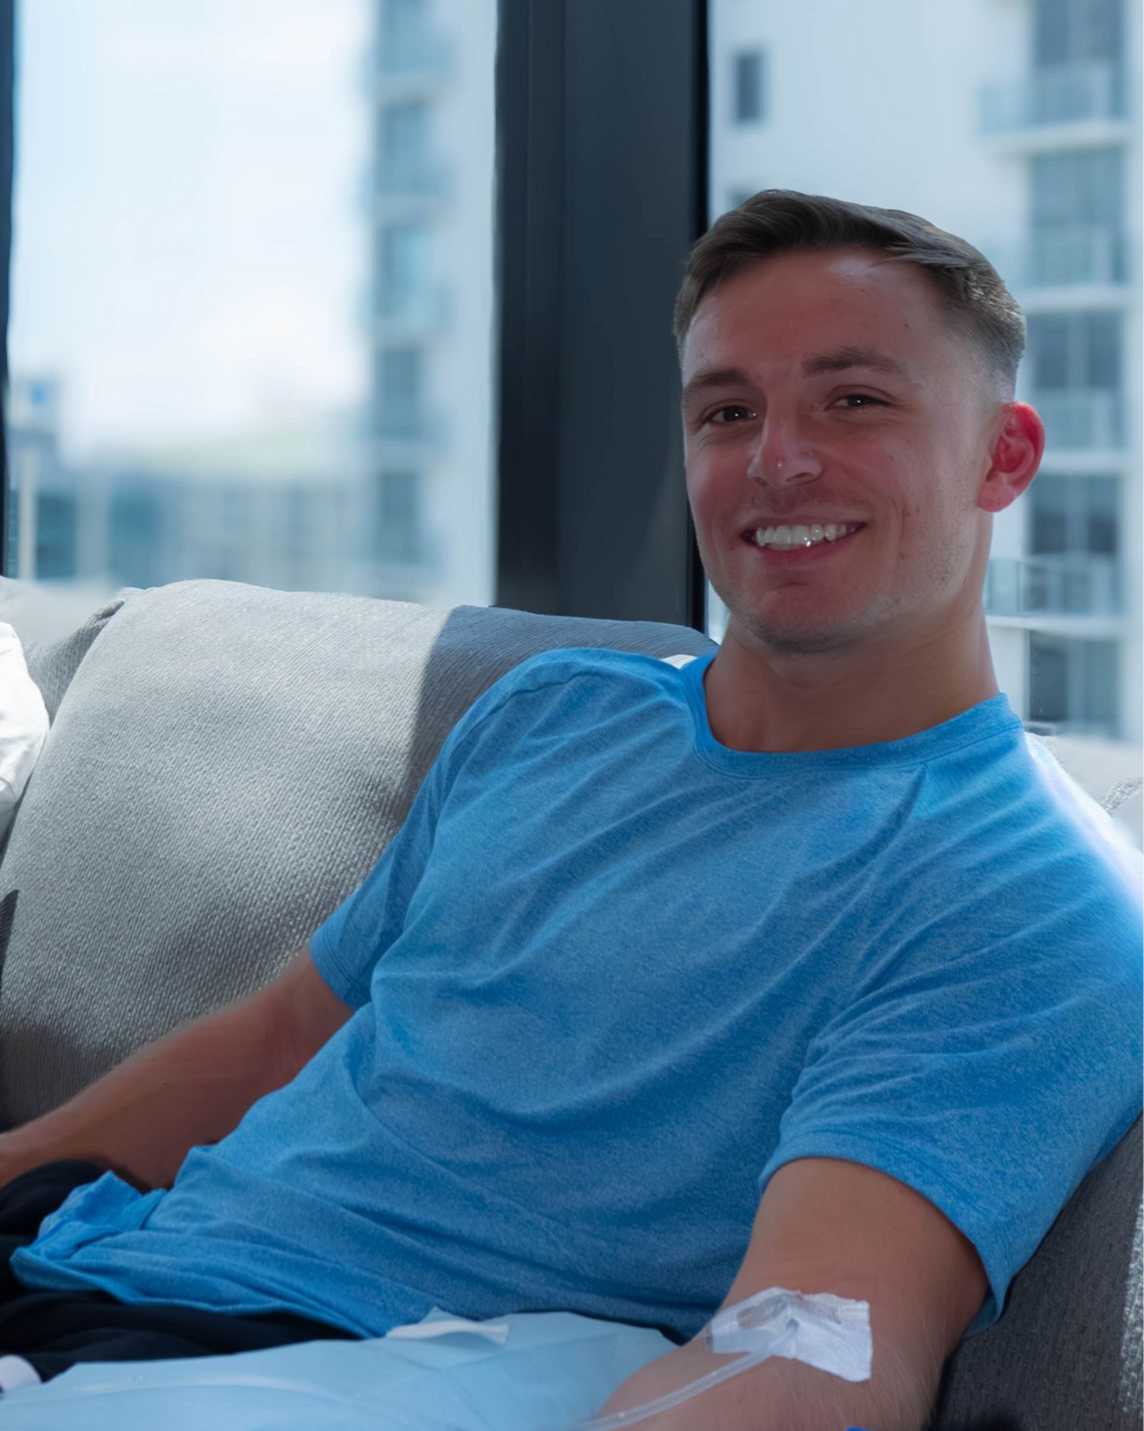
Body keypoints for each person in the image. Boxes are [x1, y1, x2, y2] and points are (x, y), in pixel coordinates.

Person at [1, 190, 1143, 1431]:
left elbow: (818, 1344)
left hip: (331, 1364)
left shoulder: (1028, 896)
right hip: (88, 1267)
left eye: (852, 400)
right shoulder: (556, 713)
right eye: (727, 410)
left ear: (1004, 455)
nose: (775, 459)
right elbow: (278, 1041)